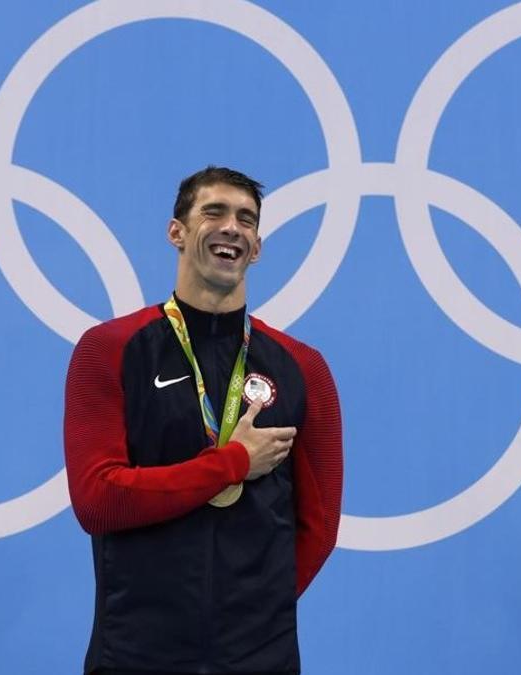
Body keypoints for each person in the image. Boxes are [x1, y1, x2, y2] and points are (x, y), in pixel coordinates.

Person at [64, 166, 343, 674]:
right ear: (178, 232)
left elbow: (319, 525)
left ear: (256, 248)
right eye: (213, 212)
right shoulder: (109, 349)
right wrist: (232, 462)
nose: (231, 227)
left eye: (246, 219)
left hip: (260, 656)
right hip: (136, 652)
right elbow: (98, 500)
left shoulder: (303, 367)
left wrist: (256, 612)